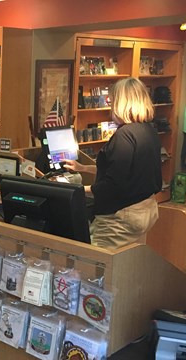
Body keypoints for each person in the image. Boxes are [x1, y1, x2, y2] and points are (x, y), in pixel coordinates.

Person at [64, 77, 162, 249]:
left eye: (113, 100)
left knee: (97, 264)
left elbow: (113, 184)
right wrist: (82, 168)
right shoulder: (148, 130)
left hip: (120, 217)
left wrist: (75, 190)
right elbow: (127, 171)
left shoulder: (124, 135)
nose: (110, 105)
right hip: (145, 209)